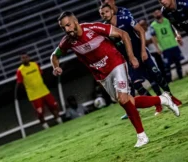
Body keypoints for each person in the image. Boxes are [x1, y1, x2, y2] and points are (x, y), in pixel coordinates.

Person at [50, 11, 180, 147]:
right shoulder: (67, 42)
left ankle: (142, 136)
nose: (66, 29)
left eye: (68, 25)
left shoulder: (93, 28)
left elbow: (123, 34)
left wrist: (131, 56)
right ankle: (162, 99)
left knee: (123, 99)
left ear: (75, 22)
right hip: (101, 75)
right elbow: (54, 55)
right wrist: (55, 67)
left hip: (116, 64)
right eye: (63, 28)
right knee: (128, 102)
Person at [99, 4, 182, 116]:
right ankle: (157, 103)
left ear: (112, 12)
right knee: (136, 84)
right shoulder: (105, 29)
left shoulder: (125, 19)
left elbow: (141, 31)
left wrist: (143, 50)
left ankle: (171, 97)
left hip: (140, 52)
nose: (105, 15)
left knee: (155, 76)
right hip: (128, 59)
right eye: (102, 13)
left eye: (106, 12)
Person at [16, 53, 62, 129]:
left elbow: (41, 74)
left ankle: (59, 121)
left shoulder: (35, 64)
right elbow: (20, 83)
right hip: (34, 95)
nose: (25, 59)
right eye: (23, 58)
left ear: (29, 57)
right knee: (40, 113)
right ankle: (46, 127)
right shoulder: (20, 71)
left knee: (54, 106)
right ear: (21, 60)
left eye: (26, 57)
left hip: (44, 91)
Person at [151, 9, 184, 82]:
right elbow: (153, 37)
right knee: (166, 66)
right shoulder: (153, 25)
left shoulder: (168, 21)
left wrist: (179, 39)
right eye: (155, 13)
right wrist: (157, 48)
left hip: (173, 44)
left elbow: (174, 30)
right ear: (153, 15)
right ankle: (169, 80)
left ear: (161, 13)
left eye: (158, 12)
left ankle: (181, 77)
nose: (157, 14)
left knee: (178, 62)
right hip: (164, 48)